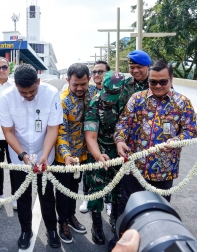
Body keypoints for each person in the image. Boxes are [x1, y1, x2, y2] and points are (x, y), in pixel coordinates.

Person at [113, 59, 197, 250]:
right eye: (153, 82)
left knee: (158, 212)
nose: (158, 86)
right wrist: (120, 141)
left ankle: (153, 245)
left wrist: (178, 140)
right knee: (127, 209)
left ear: (171, 79)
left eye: (163, 82)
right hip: (134, 168)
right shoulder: (137, 99)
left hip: (164, 171)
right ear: (148, 80)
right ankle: (123, 244)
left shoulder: (182, 103)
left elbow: (191, 131)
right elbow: (123, 124)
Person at [84, 50, 152, 247]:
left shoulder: (128, 100)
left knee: (117, 190)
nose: (109, 99)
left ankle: (115, 218)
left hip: (121, 151)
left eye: (114, 95)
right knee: (96, 190)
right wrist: (98, 156)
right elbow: (91, 135)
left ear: (123, 89)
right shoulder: (95, 104)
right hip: (99, 152)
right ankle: (96, 224)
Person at [0, 64, 62, 249]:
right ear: (15, 86)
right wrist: (22, 154)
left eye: (32, 91)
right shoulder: (7, 97)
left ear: (39, 82)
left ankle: (52, 230)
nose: (28, 95)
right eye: (23, 92)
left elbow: (53, 127)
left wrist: (44, 154)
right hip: (19, 155)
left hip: (45, 153)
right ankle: (25, 230)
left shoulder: (50, 93)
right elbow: (8, 131)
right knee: (23, 197)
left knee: (47, 195)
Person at [54, 63, 96, 243]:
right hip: (64, 157)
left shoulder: (93, 93)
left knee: (74, 189)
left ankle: (71, 217)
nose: (80, 88)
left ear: (89, 80)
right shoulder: (62, 101)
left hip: (83, 155)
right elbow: (60, 132)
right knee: (63, 192)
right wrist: (67, 156)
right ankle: (62, 222)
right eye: (75, 85)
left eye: (83, 84)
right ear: (67, 81)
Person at [79, 60, 110, 214]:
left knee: (110, 172)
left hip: (108, 140)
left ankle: (109, 201)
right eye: (94, 72)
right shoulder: (87, 91)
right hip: (89, 137)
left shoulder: (115, 91)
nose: (97, 75)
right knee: (89, 172)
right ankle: (87, 197)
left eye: (100, 72)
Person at [0, 56, 17, 211]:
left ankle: (15, 196)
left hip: (13, 134)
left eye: (4, 67)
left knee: (15, 166)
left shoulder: (15, 85)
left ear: (9, 69)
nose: (1, 70)